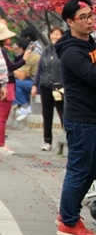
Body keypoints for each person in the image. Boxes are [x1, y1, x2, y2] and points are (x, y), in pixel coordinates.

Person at [55, 0, 96, 235]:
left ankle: (67, 213)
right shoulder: (70, 51)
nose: (90, 20)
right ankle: (68, 222)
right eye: (84, 17)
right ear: (70, 21)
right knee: (79, 170)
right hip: (81, 118)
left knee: (93, 168)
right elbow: (92, 76)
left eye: (91, 14)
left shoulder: (89, 42)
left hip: (93, 115)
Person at [31, 26, 65, 151]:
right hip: (45, 86)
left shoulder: (64, 51)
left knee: (63, 114)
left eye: (57, 34)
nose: (54, 36)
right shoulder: (46, 50)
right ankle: (47, 141)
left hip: (59, 88)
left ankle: (67, 138)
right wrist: (35, 85)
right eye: (53, 34)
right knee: (47, 115)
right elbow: (40, 69)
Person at [0, 25, 27, 155]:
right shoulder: (1, 51)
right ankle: (0, 145)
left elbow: (12, 60)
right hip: (6, 86)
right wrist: (25, 59)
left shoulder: (4, 50)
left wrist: (23, 55)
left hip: (6, 85)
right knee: (2, 117)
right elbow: (10, 67)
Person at [12, 36, 41, 121]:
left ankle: (24, 106)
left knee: (15, 83)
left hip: (39, 85)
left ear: (21, 49)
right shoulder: (33, 54)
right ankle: (22, 104)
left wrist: (10, 67)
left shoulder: (28, 56)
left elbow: (21, 76)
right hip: (35, 80)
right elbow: (27, 74)